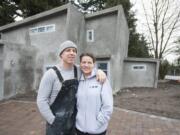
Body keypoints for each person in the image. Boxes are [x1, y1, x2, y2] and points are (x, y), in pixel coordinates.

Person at [37, 40, 106, 135]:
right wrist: (52, 121)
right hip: (56, 124)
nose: (72, 53)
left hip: (73, 123)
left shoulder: (78, 70)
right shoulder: (51, 74)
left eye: (74, 51)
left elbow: (90, 68)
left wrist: (99, 71)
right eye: (68, 50)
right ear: (61, 54)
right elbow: (41, 100)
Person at [76, 53, 113, 135]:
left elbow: (108, 106)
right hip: (79, 129)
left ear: (94, 64)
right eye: (84, 62)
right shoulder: (78, 80)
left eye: (89, 62)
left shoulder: (101, 80)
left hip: (97, 130)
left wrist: (97, 124)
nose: (86, 65)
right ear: (80, 64)